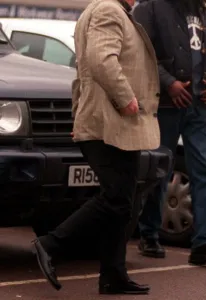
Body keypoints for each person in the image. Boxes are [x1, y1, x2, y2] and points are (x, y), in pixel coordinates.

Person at [32, 0, 160, 295]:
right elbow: (100, 59)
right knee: (116, 198)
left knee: (123, 201)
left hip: (116, 122)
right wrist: (126, 98)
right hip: (110, 120)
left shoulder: (112, 12)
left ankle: (113, 275)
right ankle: (50, 244)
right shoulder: (108, 11)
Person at [133, 0, 206, 265]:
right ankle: (148, 233)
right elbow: (142, 53)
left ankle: (204, 244)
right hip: (165, 105)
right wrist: (170, 84)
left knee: (205, 172)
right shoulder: (152, 7)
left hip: (200, 106)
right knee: (159, 171)